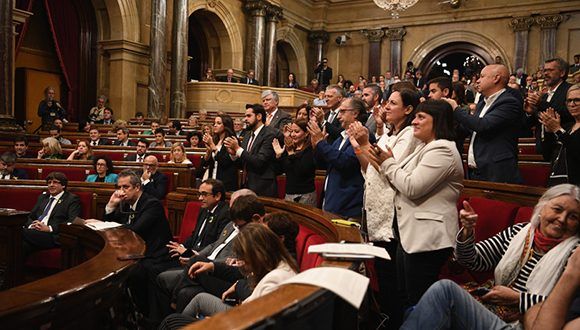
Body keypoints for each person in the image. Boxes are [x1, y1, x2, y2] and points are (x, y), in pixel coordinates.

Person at [400, 183, 580, 329]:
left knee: (444, 290)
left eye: (573, 217)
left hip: (523, 323)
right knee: (420, 310)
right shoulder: (520, 232)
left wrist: (518, 298)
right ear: (541, 208)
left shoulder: (575, 254)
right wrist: (467, 232)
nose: (562, 219)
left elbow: (568, 308)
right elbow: (473, 260)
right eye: (557, 209)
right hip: (494, 308)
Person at [367, 100, 463, 311]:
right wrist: (389, 163)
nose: (415, 122)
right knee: (405, 297)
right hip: (410, 234)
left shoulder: (442, 150)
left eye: (421, 118)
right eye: (416, 117)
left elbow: (411, 186)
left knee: (419, 302)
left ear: (437, 122)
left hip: (427, 238)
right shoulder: (425, 147)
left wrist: (387, 163)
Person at [348, 88, 421, 326]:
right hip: (375, 212)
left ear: (408, 110)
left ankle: (396, 322)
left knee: (392, 281)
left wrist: (365, 142)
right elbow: (369, 168)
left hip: (393, 215)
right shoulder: (389, 135)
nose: (386, 107)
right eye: (387, 102)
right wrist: (358, 147)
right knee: (383, 275)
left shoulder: (410, 134)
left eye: (392, 103)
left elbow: (390, 171)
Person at [161, 223, 298, 329]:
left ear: (256, 255)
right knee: (181, 309)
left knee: (171, 321)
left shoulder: (275, 279)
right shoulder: (279, 265)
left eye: (243, 259)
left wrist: (220, 322)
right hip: (236, 318)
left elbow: (255, 322)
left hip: (234, 324)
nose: (241, 264)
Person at [153, 193, 263, 321]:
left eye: (240, 226)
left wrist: (209, 264)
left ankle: (173, 310)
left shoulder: (260, 237)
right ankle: (164, 320)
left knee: (190, 272)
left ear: (255, 219)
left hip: (235, 284)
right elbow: (214, 245)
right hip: (221, 270)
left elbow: (245, 273)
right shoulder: (233, 225)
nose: (237, 228)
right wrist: (201, 257)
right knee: (172, 280)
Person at [94, 169, 175, 316]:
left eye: (125, 187)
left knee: (134, 273)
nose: (121, 192)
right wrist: (111, 205)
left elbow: (135, 230)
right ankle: (119, 313)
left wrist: (109, 225)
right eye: (118, 187)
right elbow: (111, 224)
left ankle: (142, 315)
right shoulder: (124, 204)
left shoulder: (152, 204)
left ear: (137, 187)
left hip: (155, 255)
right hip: (132, 252)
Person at [452, 64, 524, 183]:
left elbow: (483, 125)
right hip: (475, 170)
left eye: (482, 76)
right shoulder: (482, 101)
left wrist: (456, 109)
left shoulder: (509, 102)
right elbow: (470, 128)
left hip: (496, 171)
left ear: (496, 78)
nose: (478, 81)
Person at [309, 97, 374, 219]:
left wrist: (321, 144)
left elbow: (345, 163)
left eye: (343, 111)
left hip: (348, 207)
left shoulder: (363, 135)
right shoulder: (340, 138)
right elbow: (324, 165)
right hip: (331, 202)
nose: (338, 116)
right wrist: (317, 147)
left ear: (355, 113)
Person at [224, 104, 278, 197]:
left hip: (263, 187)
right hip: (247, 185)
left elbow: (259, 161)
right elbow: (244, 162)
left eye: (248, 116)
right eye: (245, 116)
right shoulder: (248, 135)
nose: (245, 119)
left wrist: (238, 149)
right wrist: (234, 154)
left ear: (259, 116)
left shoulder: (269, 134)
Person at [166, 179, 230, 257]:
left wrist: (189, 252)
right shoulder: (204, 210)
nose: (200, 198)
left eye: (204, 194)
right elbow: (194, 236)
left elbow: (216, 245)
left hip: (205, 258)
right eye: (199, 194)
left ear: (217, 196)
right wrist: (181, 247)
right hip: (191, 254)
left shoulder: (225, 214)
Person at [23, 172, 81, 254]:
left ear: (63, 185)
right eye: (49, 182)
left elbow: (72, 221)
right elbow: (30, 216)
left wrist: (49, 228)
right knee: (22, 246)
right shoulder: (43, 197)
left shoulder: (71, 199)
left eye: (55, 182)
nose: (51, 185)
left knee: (17, 232)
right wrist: (31, 225)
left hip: (53, 235)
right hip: (35, 232)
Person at [526, 58, 573, 154]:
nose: (545, 73)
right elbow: (535, 122)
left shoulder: (570, 91)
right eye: (544, 70)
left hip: (563, 146)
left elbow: (569, 113)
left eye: (550, 70)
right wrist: (530, 112)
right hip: (545, 148)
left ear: (562, 73)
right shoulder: (545, 96)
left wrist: (541, 104)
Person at [539, 83, 580, 186]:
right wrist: (549, 132)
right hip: (557, 184)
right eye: (569, 101)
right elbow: (546, 154)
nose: (572, 104)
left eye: (577, 100)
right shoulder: (567, 127)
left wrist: (557, 130)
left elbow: (576, 150)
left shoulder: (561, 129)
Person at [273, 119, 316, 206]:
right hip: (289, 194)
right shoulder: (289, 148)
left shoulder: (310, 149)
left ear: (306, 133)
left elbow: (300, 171)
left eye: (296, 132)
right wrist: (278, 156)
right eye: (291, 131)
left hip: (305, 195)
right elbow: (279, 171)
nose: (292, 135)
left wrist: (291, 153)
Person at [199, 114, 239, 192]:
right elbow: (204, 163)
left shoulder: (232, 141)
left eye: (218, 123)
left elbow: (225, 161)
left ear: (226, 125)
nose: (215, 125)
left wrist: (213, 147)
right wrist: (209, 151)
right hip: (212, 180)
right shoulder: (214, 140)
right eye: (214, 123)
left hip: (226, 183)